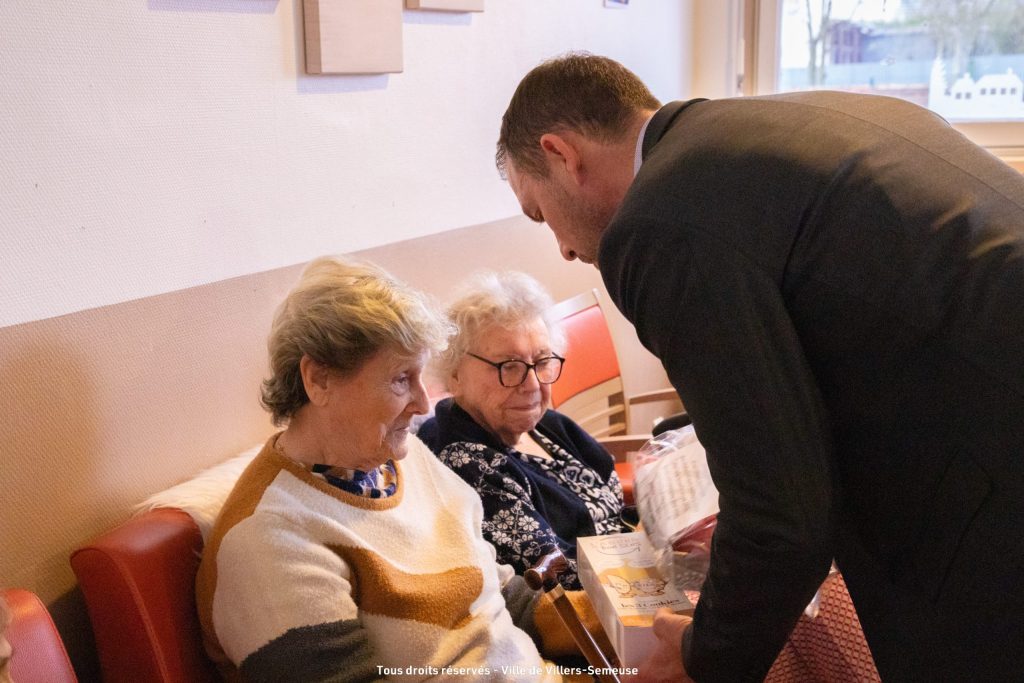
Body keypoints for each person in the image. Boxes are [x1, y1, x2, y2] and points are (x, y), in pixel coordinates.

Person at [496, 52, 1024, 682]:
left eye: (539, 213)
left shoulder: (657, 225)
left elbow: (781, 512)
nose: (562, 247)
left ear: (561, 154)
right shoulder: (803, 118)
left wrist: (703, 656)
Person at [195, 256, 593, 682]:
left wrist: (618, 618)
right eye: (402, 379)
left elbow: (506, 600)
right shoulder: (270, 542)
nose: (423, 404)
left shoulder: (403, 459)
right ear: (318, 379)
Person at [418, 270, 627, 590]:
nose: (532, 384)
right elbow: (559, 577)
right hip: (591, 607)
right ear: (455, 373)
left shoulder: (548, 426)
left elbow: (616, 503)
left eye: (542, 362)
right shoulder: (465, 462)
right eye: (509, 366)